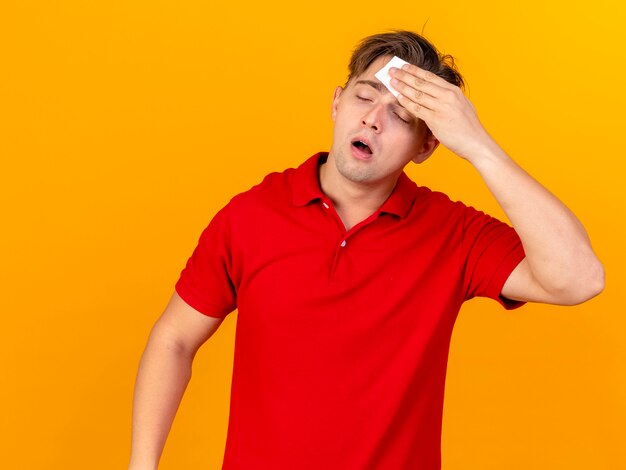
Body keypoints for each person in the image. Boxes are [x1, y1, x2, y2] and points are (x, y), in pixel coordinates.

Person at [128, 31, 604, 470]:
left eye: (401, 116)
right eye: (365, 96)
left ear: (427, 145)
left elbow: (580, 279)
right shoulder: (251, 215)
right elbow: (174, 339)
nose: (373, 120)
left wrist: (480, 147)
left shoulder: (454, 233)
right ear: (337, 103)